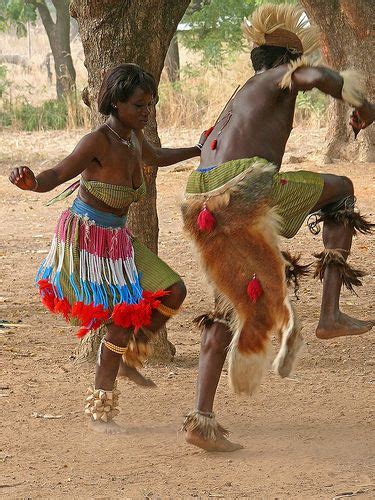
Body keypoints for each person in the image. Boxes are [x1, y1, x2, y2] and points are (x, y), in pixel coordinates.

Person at [181, 3, 374, 452]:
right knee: (342, 187)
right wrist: (364, 105)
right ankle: (329, 314)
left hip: (204, 203)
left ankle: (201, 420)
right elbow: (313, 77)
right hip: (245, 189)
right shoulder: (278, 79)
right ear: (288, 61)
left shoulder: (243, 92)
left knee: (226, 304)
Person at [9, 63, 206, 433]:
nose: (147, 112)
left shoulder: (133, 138)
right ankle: (102, 406)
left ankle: (133, 351)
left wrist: (199, 149)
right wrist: (32, 182)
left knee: (173, 290)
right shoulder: (97, 141)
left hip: (117, 241)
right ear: (116, 103)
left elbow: (157, 157)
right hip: (88, 241)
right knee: (121, 320)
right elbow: (56, 174)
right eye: (139, 105)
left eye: (151, 105)